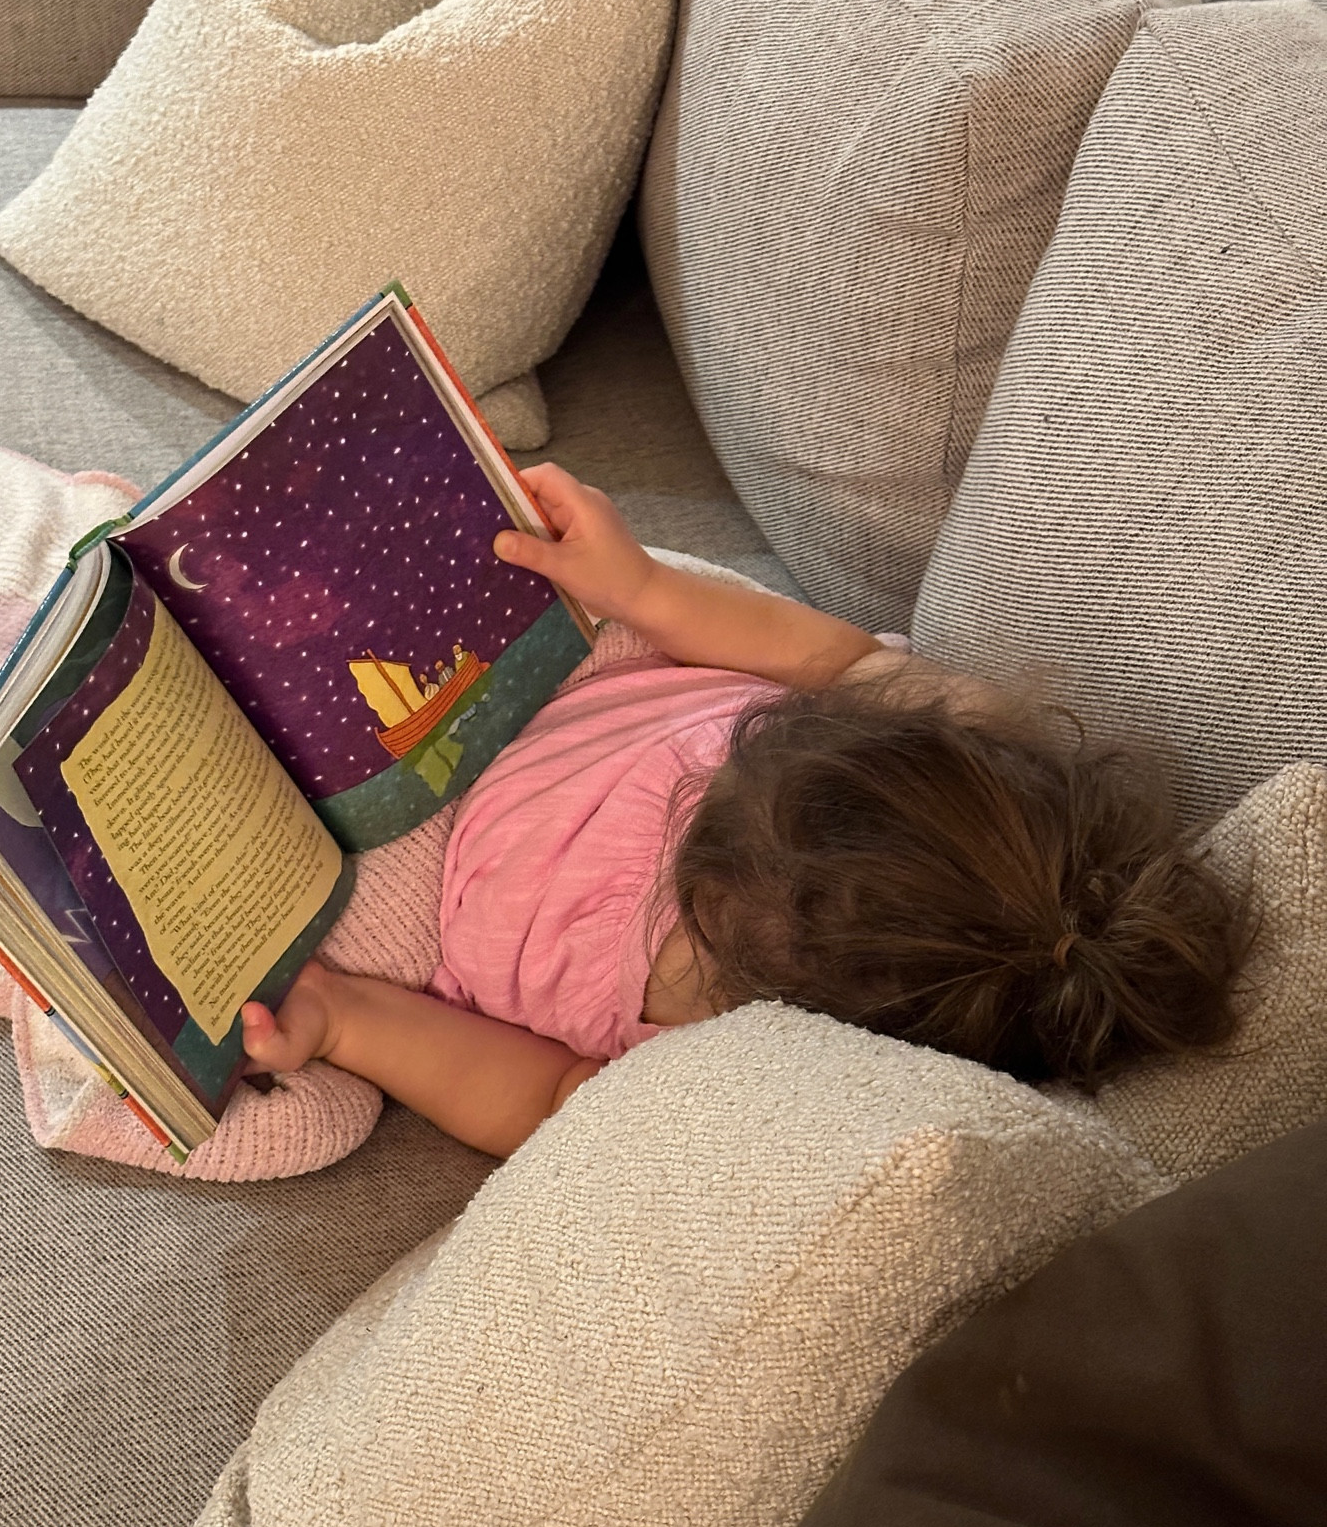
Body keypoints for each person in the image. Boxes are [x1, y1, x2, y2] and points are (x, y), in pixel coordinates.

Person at [241, 465, 1249, 1159]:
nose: (692, 811)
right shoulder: (963, 745)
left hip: (439, 894)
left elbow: (551, 1098)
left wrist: (352, 1021)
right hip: (577, 691)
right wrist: (639, 583)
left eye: (696, 919)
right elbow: (843, 661)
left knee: (278, 1000)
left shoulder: (742, 1068)